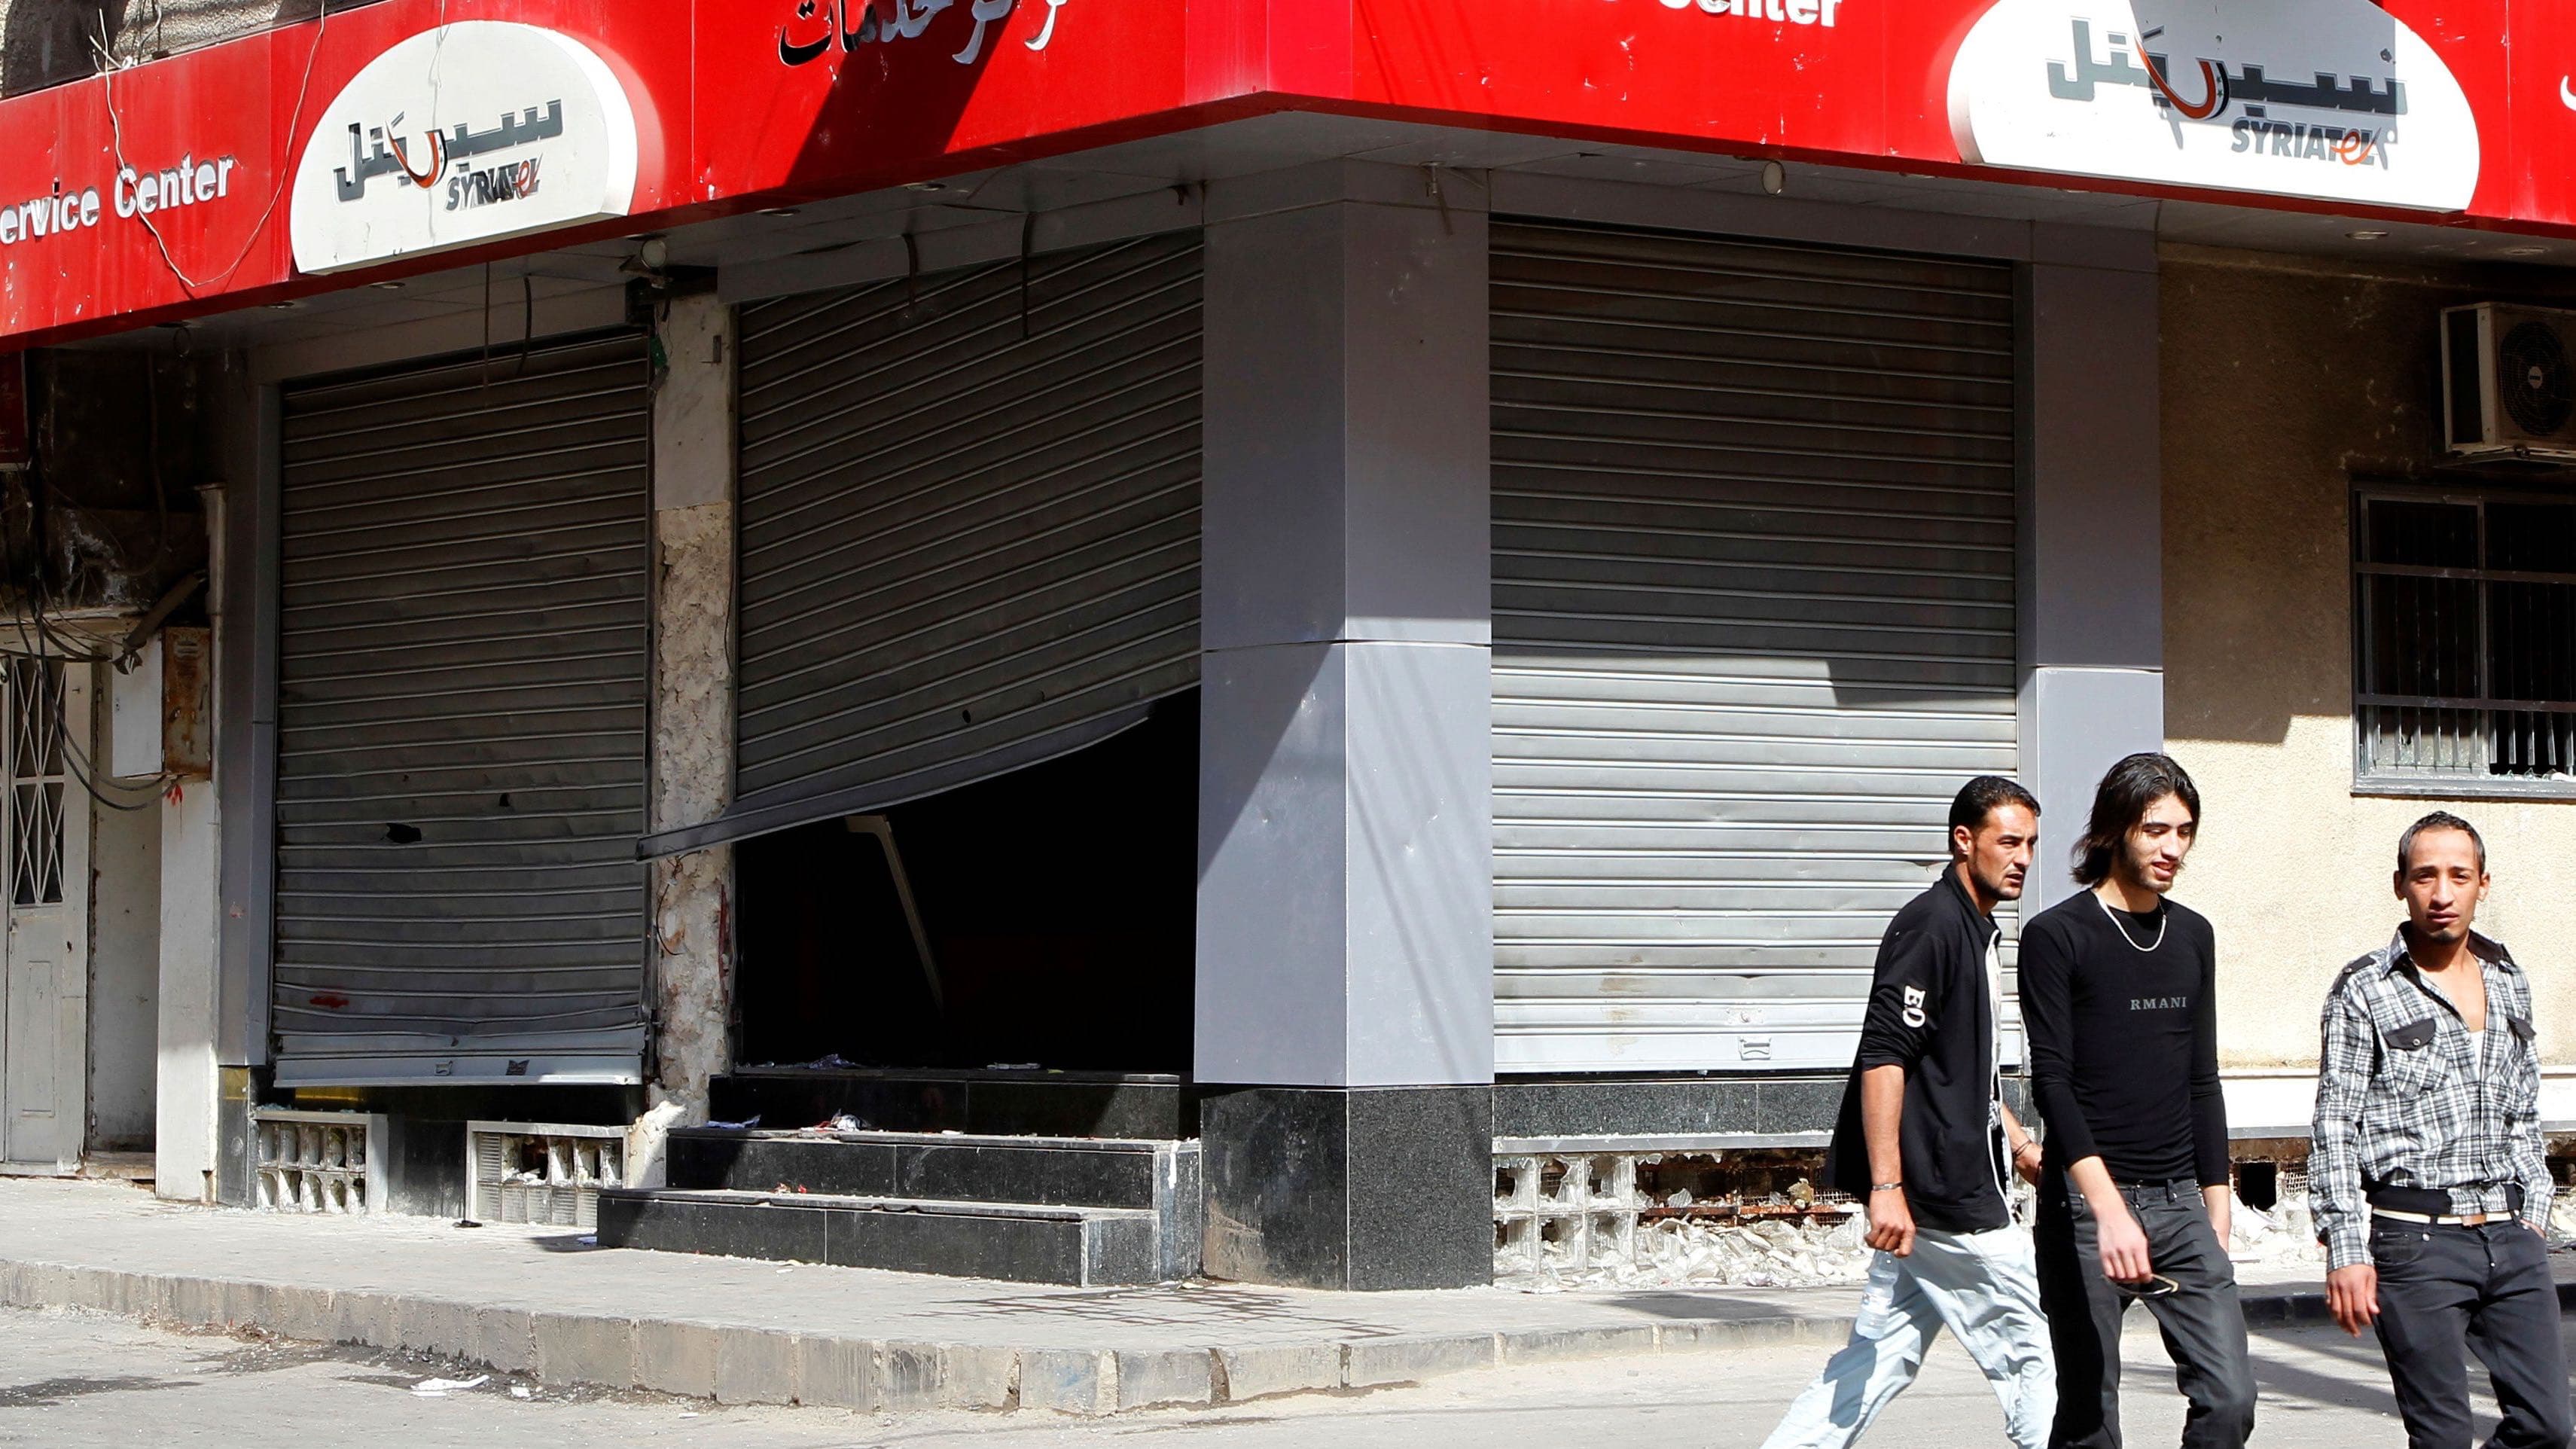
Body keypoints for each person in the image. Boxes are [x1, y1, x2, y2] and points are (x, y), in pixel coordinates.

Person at [1763, 776, 2056, 1449]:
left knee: (1876, 1360)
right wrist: (1886, 1186)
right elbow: (1884, 1057)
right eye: (2008, 842)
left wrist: (2015, 1142)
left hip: (1944, 1182)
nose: (2022, 858)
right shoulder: (1932, 925)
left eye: (2031, 844)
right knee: (2035, 1352)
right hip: (1943, 1194)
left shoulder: (1977, 929)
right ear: (1963, 841)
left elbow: (1960, 1074)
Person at [2312, 812, 2571, 1449]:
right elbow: (2334, 1124)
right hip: (2413, 1241)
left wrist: (2533, 1209)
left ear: (2483, 884)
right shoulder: (2363, 989)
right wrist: (2345, 1250)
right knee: (2443, 1437)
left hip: (2509, 1237)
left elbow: (2522, 1110)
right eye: (2425, 875)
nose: (2442, 893)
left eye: (2458, 875)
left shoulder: (2508, 980)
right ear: (2399, 884)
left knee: (2548, 1427)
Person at [2021, 753, 2252, 1449]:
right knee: (2089, 1417)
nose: (2172, 848)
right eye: (2155, 830)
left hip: (2181, 1198)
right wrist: (2107, 1208)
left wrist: (2216, 1207)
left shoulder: (2192, 934)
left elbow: (2200, 1077)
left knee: (2229, 1399)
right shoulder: (2056, 935)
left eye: (2183, 832)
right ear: (2114, 830)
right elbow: (2051, 1083)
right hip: (2086, 1209)